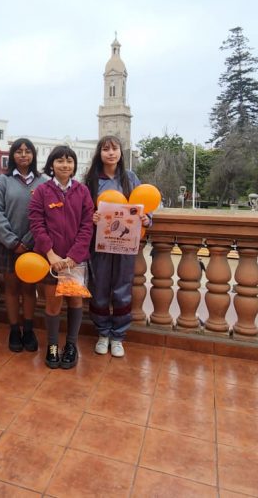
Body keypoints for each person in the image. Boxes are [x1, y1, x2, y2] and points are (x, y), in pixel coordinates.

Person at [28, 145, 94, 370]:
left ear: (74, 165)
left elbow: (87, 226)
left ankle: (72, 346)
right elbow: (37, 224)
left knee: (75, 301)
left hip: (75, 261)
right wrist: (51, 254)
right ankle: (53, 346)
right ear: (51, 165)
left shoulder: (83, 191)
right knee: (53, 303)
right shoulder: (42, 191)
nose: (65, 165)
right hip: (50, 261)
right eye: (60, 161)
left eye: (69, 161)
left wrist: (74, 257)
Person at [85, 135, 151, 358]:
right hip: (100, 245)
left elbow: (145, 207)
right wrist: (91, 218)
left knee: (123, 289)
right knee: (100, 288)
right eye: (106, 149)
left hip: (125, 245)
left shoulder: (130, 178)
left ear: (121, 153)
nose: (110, 153)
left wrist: (146, 220)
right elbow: (83, 211)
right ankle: (103, 333)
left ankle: (118, 336)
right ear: (99, 153)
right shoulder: (92, 180)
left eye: (114, 149)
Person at [0, 138, 47, 352]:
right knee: (11, 289)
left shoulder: (43, 182)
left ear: (33, 155)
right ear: (12, 155)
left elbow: (46, 216)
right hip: (8, 246)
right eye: (18, 151)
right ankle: (14, 329)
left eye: (28, 151)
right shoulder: (2, 182)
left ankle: (29, 329)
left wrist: (28, 241)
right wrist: (13, 242)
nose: (23, 155)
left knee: (29, 289)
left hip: (33, 247)